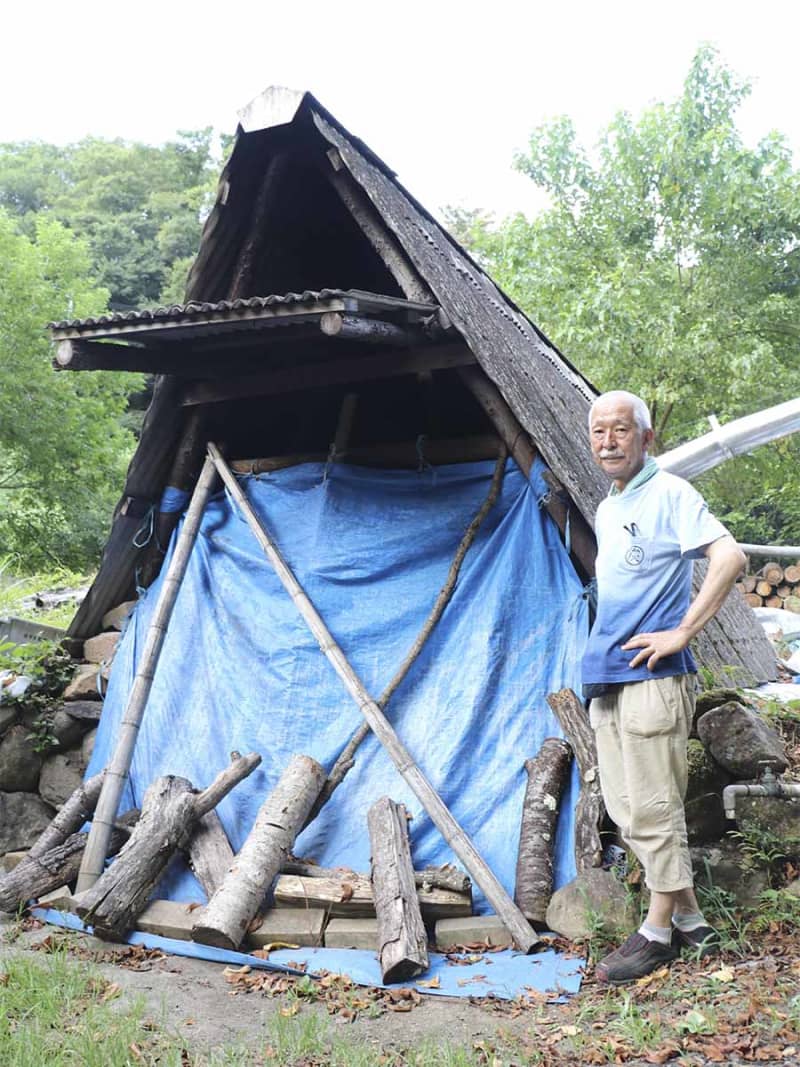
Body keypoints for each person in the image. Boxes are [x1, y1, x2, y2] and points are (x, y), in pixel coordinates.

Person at [581, 390, 746, 985]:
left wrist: (680, 632)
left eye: (620, 431)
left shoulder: (671, 493)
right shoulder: (609, 505)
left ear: (646, 438)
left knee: (651, 808)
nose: (607, 442)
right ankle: (693, 920)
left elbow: (729, 558)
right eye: (599, 432)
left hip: (653, 676)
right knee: (628, 810)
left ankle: (655, 934)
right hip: (609, 674)